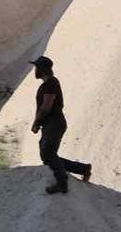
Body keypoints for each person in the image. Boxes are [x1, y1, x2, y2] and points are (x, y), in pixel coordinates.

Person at [29, 56, 92, 194]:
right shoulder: (48, 83)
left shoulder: (51, 83)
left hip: (55, 123)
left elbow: (46, 106)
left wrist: (36, 122)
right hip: (50, 124)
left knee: (48, 154)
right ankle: (83, 169)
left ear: (42, 69)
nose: (34, 70)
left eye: (36, 67)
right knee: (47, 156)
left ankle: (62, 183)